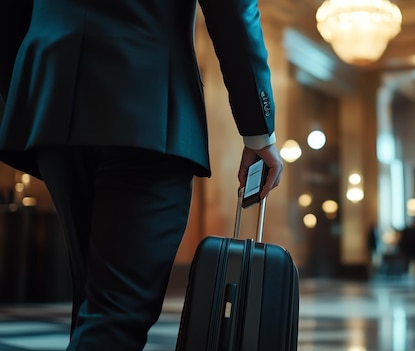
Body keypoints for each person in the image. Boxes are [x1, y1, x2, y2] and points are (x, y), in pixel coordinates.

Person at [0, 0, 283, 350]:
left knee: (95, 306)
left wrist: (29, 84)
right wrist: (259, 131)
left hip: (52, 97)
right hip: (148, 102)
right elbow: (233, 9)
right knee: (117, 312)